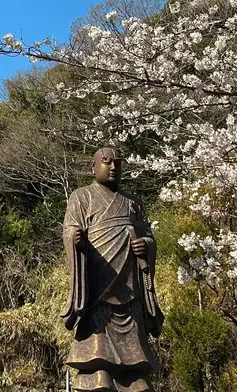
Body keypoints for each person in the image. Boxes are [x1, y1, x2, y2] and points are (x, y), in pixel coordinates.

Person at [62, 146, 163, 392]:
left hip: (129, 289)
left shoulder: (133, 203)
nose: (114, 167)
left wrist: (146, 246)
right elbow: (69, 230)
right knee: (98, 366)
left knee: (136, 370)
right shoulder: (81, 197)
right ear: (93, 166)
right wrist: (75, 239)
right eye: (107, 162)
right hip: (97, 288)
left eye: (118, 163)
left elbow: (148, 237)